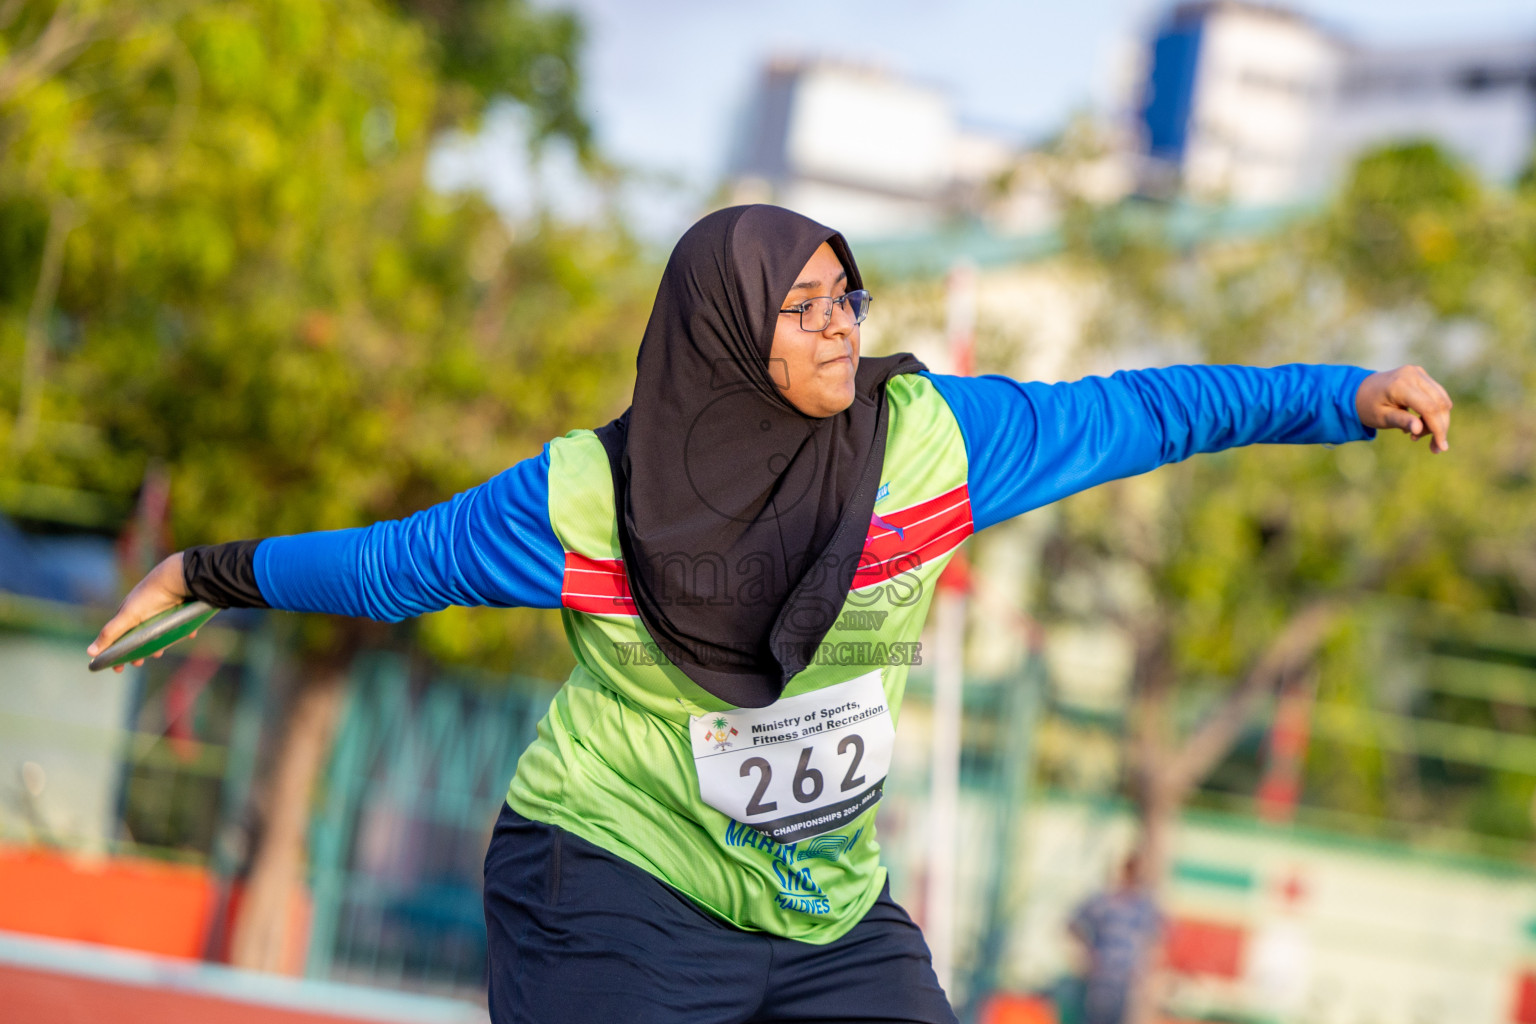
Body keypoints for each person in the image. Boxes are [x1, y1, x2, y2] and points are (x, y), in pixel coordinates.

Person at [89, 204, 1453, 1024]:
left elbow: (1148, 413)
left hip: (821, 909)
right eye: (799, 309)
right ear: (723, 329)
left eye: (845, 294)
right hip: (609, 886)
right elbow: (391, 570)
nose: (838, 325)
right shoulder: (588, 494)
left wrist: (1344, 395)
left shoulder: (931, 444)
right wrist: (206, 572)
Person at [1068, 854, 1165, 1024]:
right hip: (1102, 977)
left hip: (1129, 980)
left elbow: (1157, 939)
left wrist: (1149, 973)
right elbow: (1073, 924)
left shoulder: (1144, 907)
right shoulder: (1104, 901)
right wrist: (1087, 953)